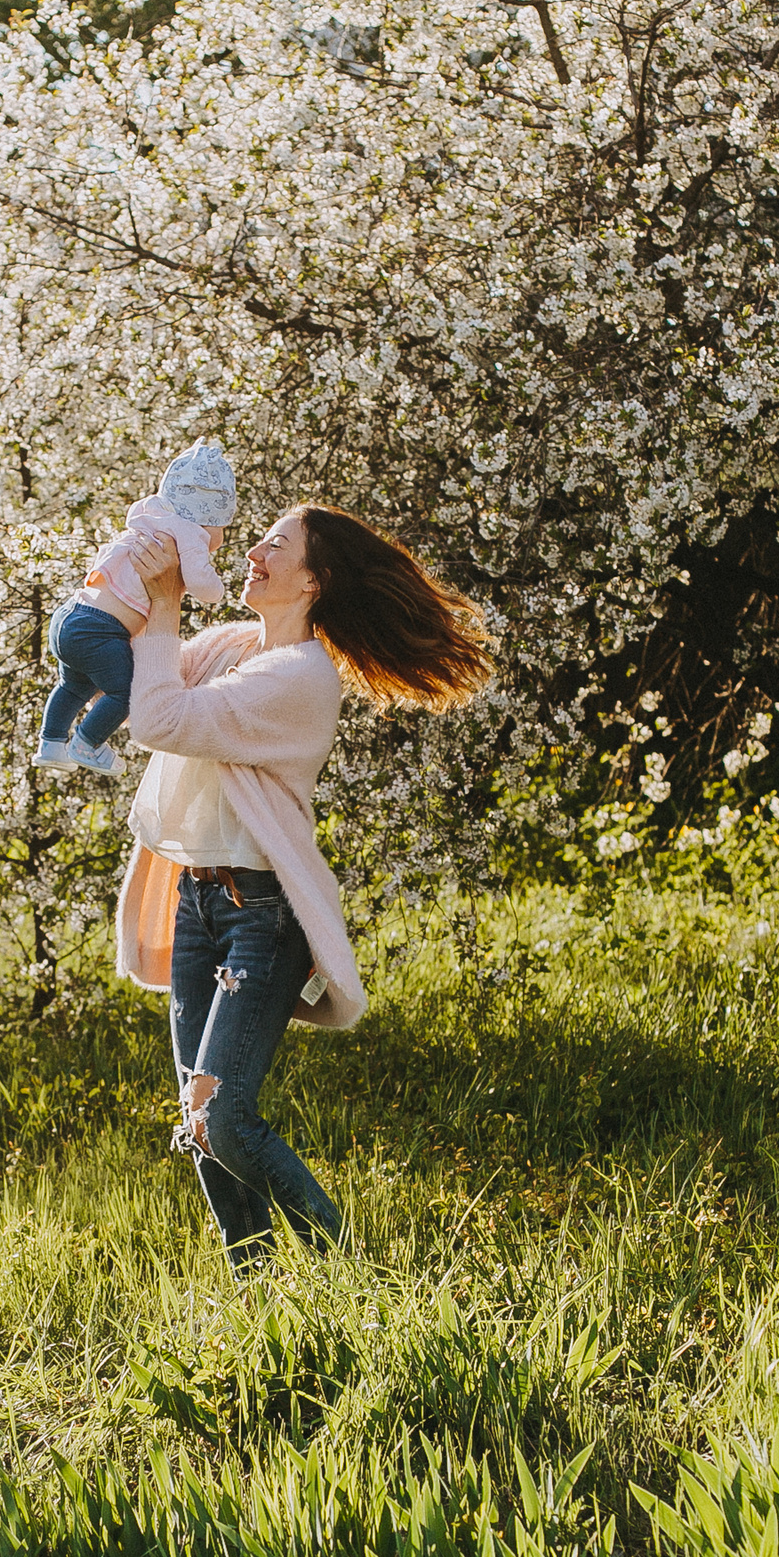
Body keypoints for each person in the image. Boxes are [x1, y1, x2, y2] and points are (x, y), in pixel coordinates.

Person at [111, 503, 493, 1269]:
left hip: (262, 918)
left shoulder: (299, 677)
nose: (254, 550)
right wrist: (144, 555)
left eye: (275, 544)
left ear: (314, 580)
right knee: (199, 1118)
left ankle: (347, 1272)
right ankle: (252, 1291)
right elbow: (136, 673)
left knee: (222, 1114)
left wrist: (165, 601)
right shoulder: (238, 647)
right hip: (200, 902)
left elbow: (158, 716)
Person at [34, 441, 240, 777]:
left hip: (71, 616)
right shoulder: (189, 532)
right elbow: (206, 587)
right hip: (101, 629)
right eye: (222, 529)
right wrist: (215, 582)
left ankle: (50, 742)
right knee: (129, 689)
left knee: (73, 685)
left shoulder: (150, 515)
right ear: (209, 518)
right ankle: (87, 742)